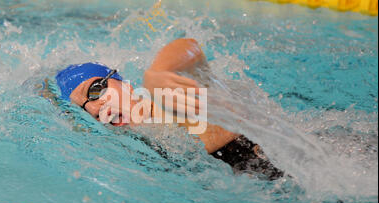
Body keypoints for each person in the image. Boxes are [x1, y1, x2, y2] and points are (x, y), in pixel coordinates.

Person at [46, 38, 284, 180]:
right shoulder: (145, 143)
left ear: (123, 82)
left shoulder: (169, 98)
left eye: (95, 90)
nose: (97, 109)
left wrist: (158, 73)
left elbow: (189, 48)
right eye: (84, 110)